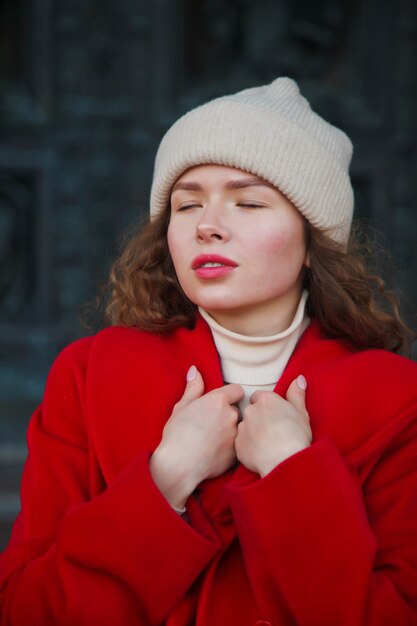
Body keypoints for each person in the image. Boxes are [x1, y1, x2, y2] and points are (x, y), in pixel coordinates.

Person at [1, 77, 417, 626]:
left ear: (314, 242)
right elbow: (25, 610)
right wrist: (167, 475)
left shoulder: (395, 402)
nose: (208, 227)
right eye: (186, 204)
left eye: (247, 202)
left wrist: (295, 474)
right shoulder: (90, 375)